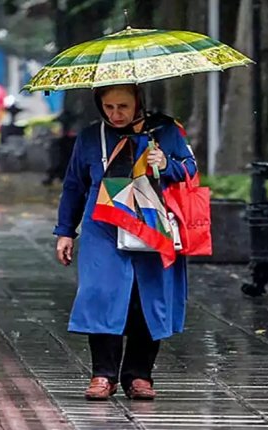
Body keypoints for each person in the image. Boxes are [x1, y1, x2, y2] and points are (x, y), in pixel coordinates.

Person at [53, 83, 196, 401]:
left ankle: (140, 375)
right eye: (109, 107)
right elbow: (74, 185)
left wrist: (166, 164)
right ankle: (103, 374)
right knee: (101, 294)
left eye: (123, 107)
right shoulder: (91, 137)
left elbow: (190, 168)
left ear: (138, 103)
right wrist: (65, 231)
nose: (116, 114)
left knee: (148, 297)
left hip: (153, 224)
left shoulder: (166, 131)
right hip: (102, 226)